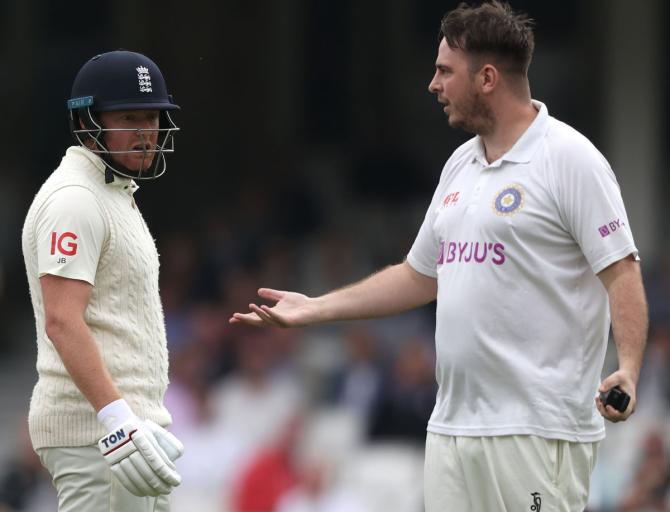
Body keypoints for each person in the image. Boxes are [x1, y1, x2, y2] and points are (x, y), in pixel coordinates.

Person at [230, 2, 648, 510]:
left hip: (535, 430)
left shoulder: (570, 158)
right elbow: (417, 275)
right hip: (452, 428)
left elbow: (621, 270)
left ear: (488, 77)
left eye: (445, 71)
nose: (433, 84)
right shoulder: (460, 165)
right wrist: (314, 309)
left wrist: (627, 367)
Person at [22, 50, 184, 511]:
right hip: (99, 434)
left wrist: (131, 422)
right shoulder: (75, 199)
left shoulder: (111, 192)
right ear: (89, 121)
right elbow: (62, 321)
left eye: (152, 118)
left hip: (130, 431)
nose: (145, 132)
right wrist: (118, 421)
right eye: (129, 117)